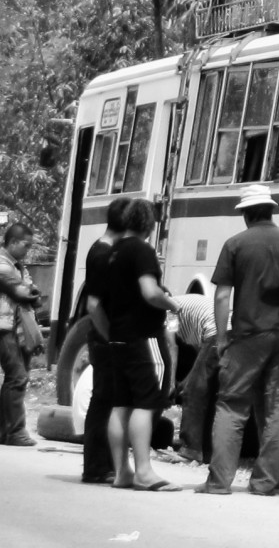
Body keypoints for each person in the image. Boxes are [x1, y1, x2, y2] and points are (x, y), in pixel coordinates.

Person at [197, 183, 279, 498]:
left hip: (248, 337)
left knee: (231, 404)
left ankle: (219, 482)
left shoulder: (236, 244)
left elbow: (224, 294)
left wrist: (223, 337)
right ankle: (266, 482)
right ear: (271, 210)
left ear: (245, 214)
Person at [99, 197, 182, 491]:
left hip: (118, 336)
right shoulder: (142, 251)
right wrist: (171, 303)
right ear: (149, 224)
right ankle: (145, 471)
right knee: (146, 404)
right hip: (144, 337)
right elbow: (149, 292)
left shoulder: (113, 252)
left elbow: (102, 301)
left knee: (121, 405)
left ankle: (123, 471)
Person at [80, 196, 131, 483]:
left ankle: (103, 465)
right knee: (103, 401)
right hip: (104, 338)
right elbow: (93, 305)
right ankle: (97, 467)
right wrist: (110, 337)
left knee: (107, 400)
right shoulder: (102, 254)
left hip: (106, 336)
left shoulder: (106, 251)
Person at [0, 222, 42, 447]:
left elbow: (33, 293)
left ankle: (6, 431)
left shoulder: (18, 266)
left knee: (18, 376)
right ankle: (14, 431)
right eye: (26, 245)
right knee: (17, 376)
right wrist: (30, 293)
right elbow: (23, 292)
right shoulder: (3, 264)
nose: (28, 250)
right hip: (3, 327)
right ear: (13, 242)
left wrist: (31, 293)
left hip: (13, 327)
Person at [164, 292, 218, 463]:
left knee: (192, 393)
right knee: (208, 393)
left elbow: (172, 346)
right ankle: (206, 452)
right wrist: (188, 379)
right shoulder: (183, 307)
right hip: (226, 332)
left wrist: (171, 383)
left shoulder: (168, 310)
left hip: (215, 333)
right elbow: (199, 354)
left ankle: (190, 449)